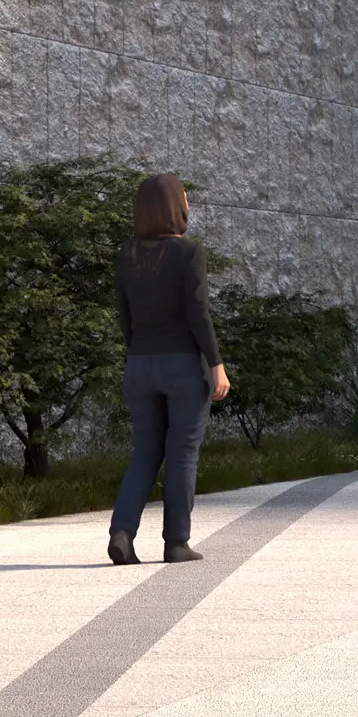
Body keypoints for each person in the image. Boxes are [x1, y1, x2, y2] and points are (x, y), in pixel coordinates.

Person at [109, 173, 229, 565]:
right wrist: (216, 364)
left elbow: (124, 314)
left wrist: (137, 351)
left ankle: (121, 533)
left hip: (140, 364)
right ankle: (176, 542)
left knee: (145, 451)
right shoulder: (188, 253)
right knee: (181, 453)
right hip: (182, 367)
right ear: (177, 206)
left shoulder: (127, 253)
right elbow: (198, 313)